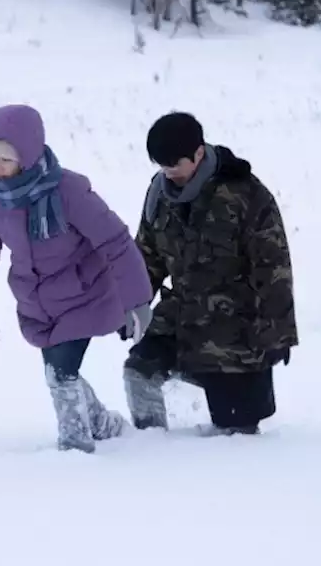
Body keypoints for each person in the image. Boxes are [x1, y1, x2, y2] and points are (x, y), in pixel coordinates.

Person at [0, 104, 154, 453]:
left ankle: (75, 445)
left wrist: (138, 302)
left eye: (5, 159)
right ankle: (102, 422)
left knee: (60, 374)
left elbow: (116, 242)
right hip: (37, 301)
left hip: (87, 294)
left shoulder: (69, 190)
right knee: (61, 371)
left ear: (29, 154)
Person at [123, 112, 297, 435]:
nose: (168, 174)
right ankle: (151, 449)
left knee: (237, 431)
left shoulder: (246, 195)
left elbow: (273, 268)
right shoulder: (159, 194)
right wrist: (131, 306)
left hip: (235, 334)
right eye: (162, 167)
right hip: (180, 317)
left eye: (175, 166)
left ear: (199, 153)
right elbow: (146, 256)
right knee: (139, 372)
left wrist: (278, 332)